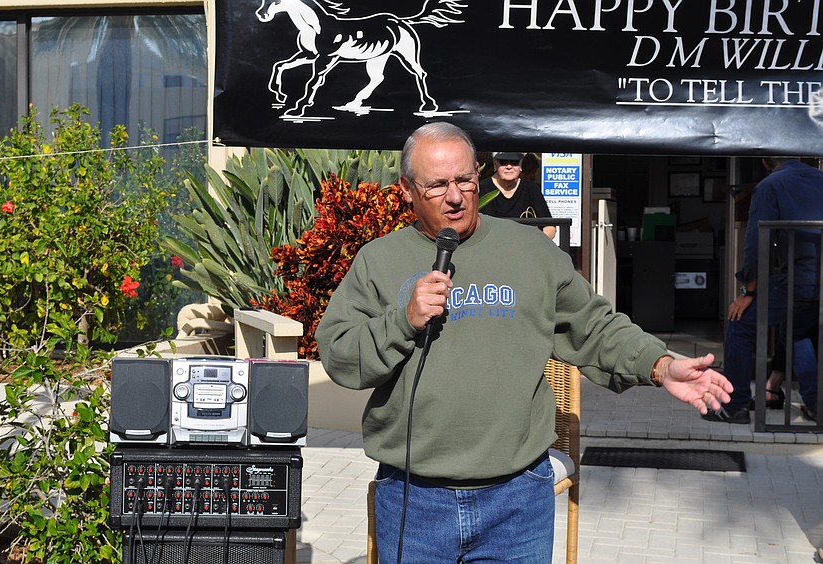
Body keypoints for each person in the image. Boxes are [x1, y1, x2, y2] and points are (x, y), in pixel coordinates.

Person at [315, 122, 734, 563]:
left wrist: (660, 364)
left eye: (464, 179)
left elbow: (594, 326)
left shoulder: (530, 252)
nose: (456, 196)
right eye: (437, 185)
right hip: (414, 499)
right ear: (406, 189)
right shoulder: (378, 260)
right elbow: (341, 356)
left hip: (517, 499)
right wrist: (402, 320)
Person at [711, 156, 823, 424]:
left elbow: (756, 242)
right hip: (817, 279)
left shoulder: (771, 185)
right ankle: (816, 406)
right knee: (796, 330)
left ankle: (735, 405)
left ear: (764, 162)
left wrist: (748, 291)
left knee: (740, 325)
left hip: (798, 279)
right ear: (797, 156)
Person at [479, 151, 557, 239]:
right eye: (503, 162)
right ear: (495, 164)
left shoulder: (530, 188)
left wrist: (536, 244)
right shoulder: (482, 188)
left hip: (526, 245)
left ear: (520, 165)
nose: (509, 167)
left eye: (514, 162)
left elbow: (549, 226)